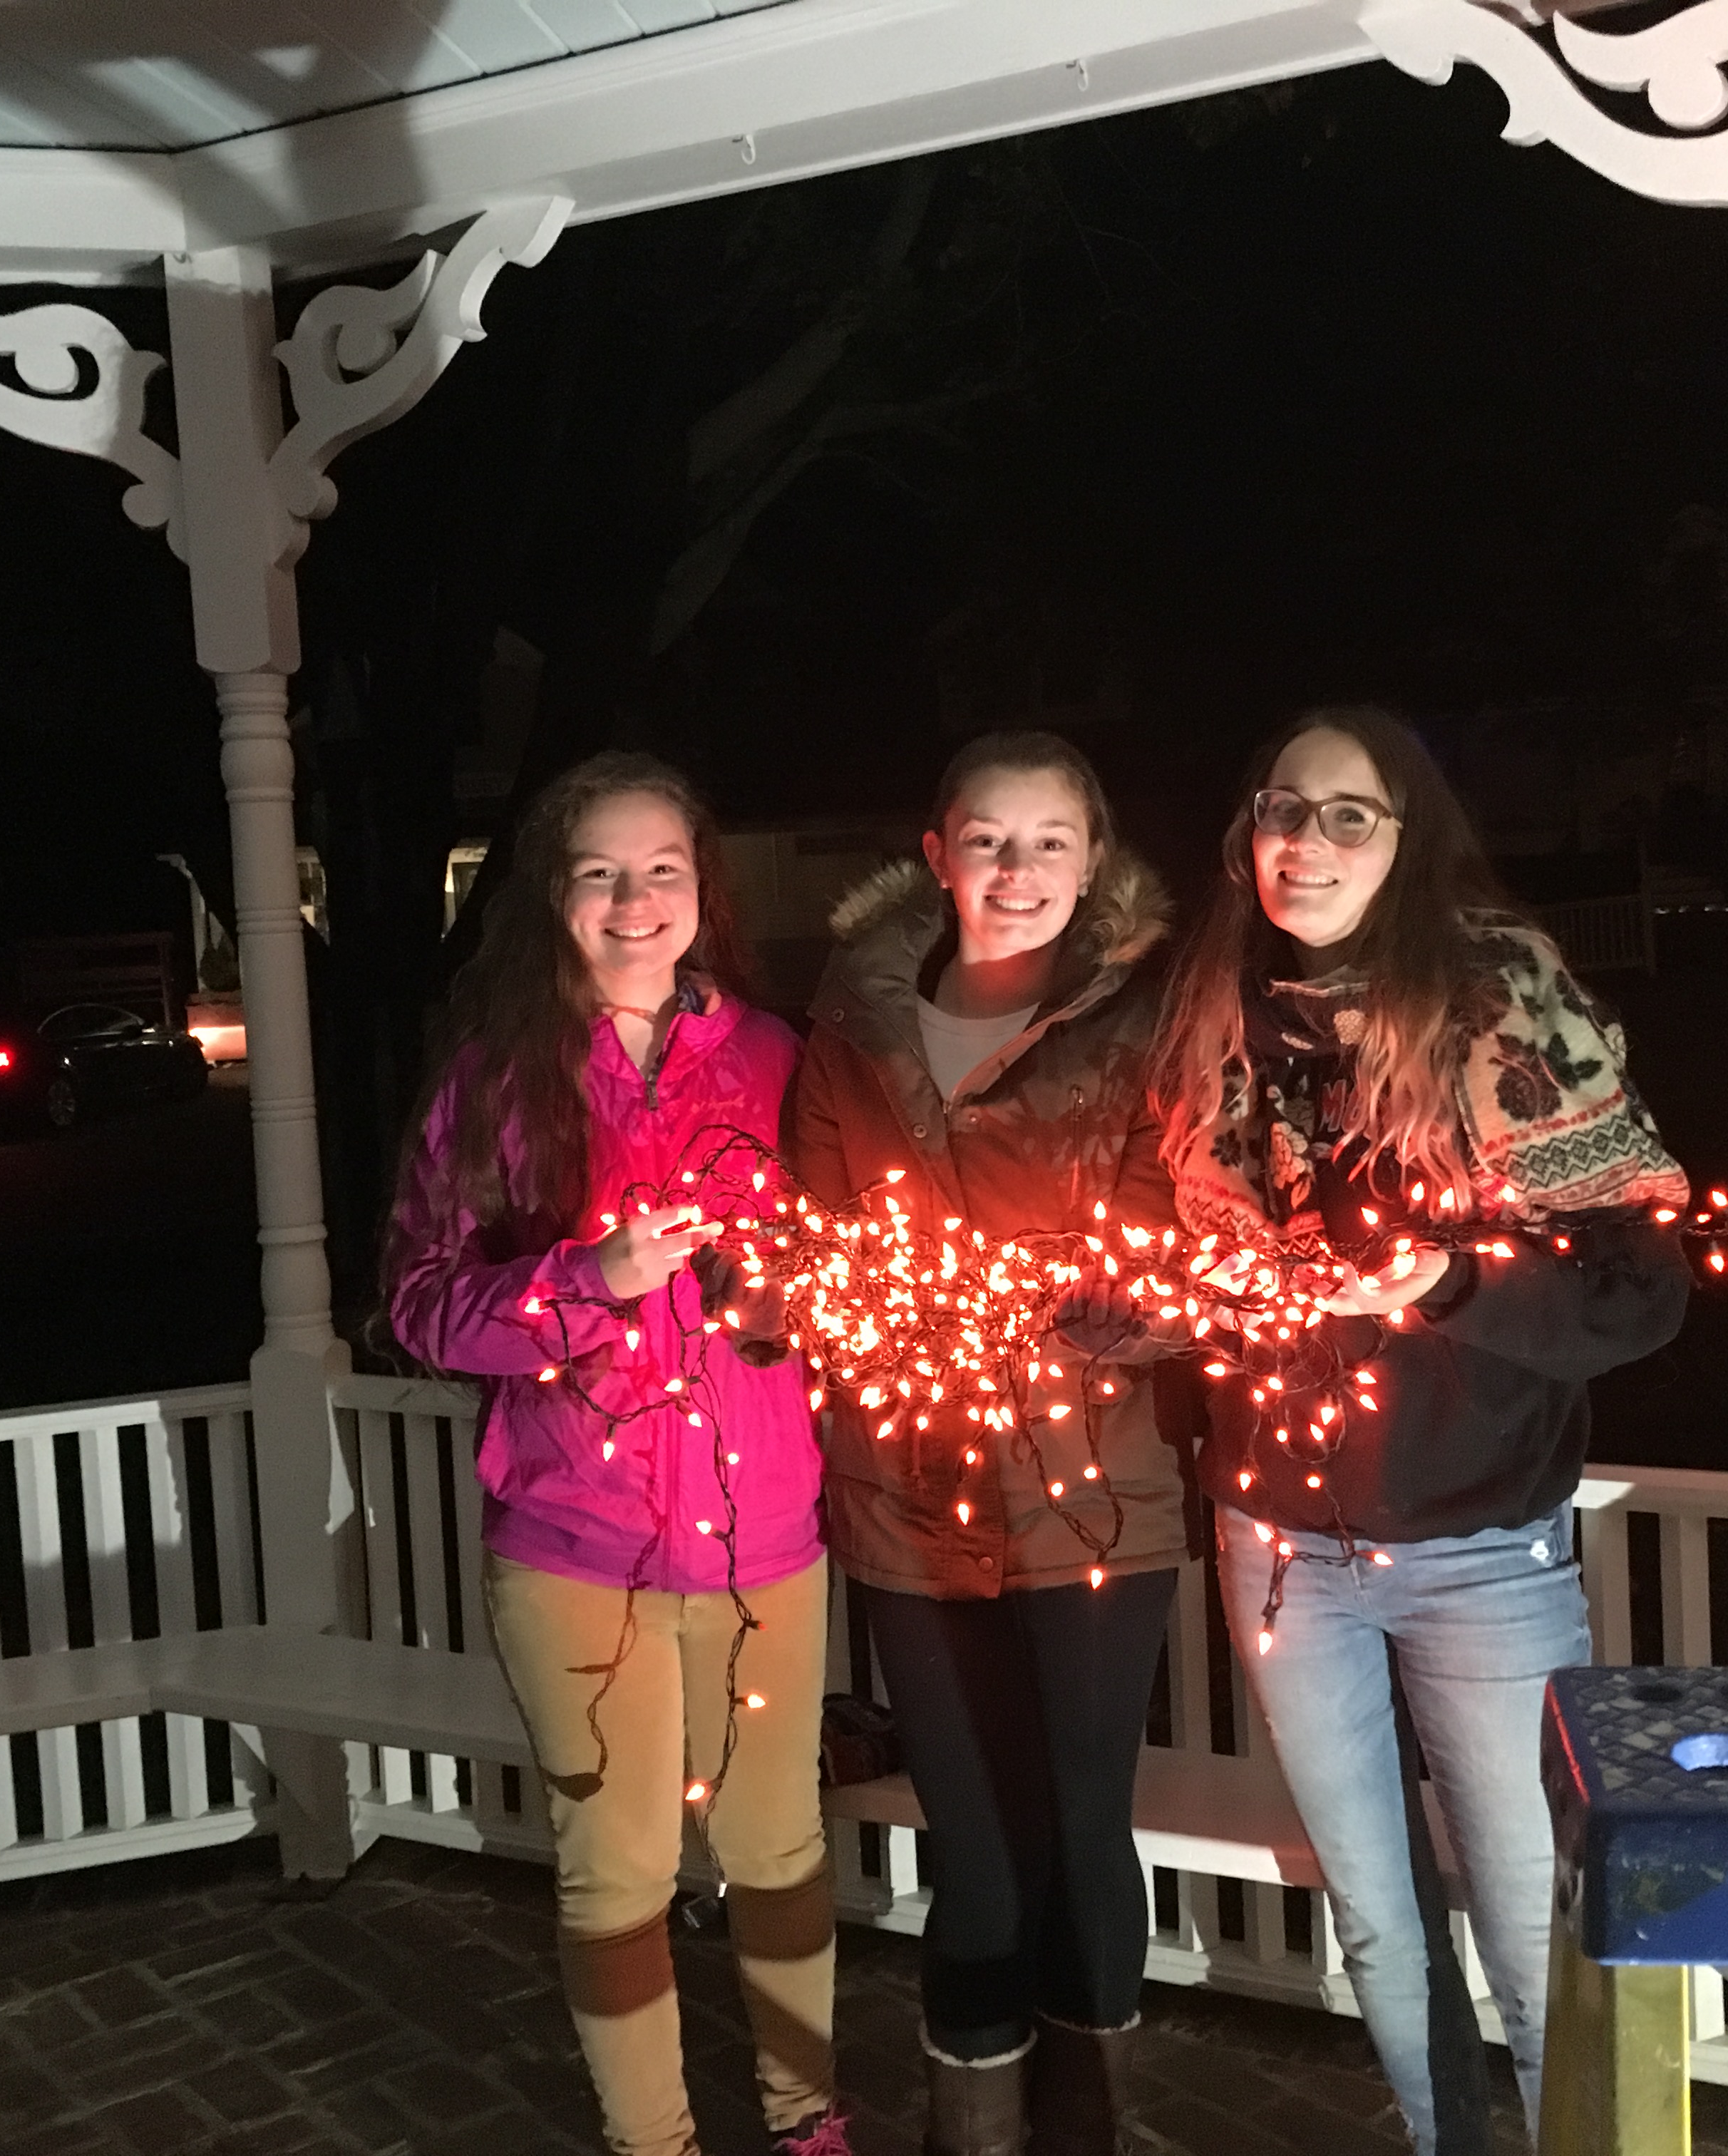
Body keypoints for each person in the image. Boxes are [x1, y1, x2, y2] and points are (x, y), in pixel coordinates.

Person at [1146, 708, 1690, 2155]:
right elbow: (1192, 1263)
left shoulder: (1502, 999)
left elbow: (1641, 1288)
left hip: (1482, 1546)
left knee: (1530, 1924)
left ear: (1408, 837)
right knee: (1382, 1927)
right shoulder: (1214, 1009)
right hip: (1279, 1543)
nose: (1302, 843)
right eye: (1280, 809)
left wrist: (1451, 1285)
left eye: (1347, 816)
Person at [384, 753, 849, 2156]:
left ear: (705, 888)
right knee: (623, 1869)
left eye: (662, 869)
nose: (635, 899)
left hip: (765, 1533)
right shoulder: (495, 1079)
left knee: (779, 1854)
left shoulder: (782, 1062)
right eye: (601, 871)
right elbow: (414, 1304)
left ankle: (809, 2123)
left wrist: (803, 1280)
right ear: (554, 897)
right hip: (579, 1546)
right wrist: (588, 1281)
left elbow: (852, 1258)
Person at [786, 732, 1184, 2156]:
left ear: (1096, 856)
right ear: (938, 850)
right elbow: (824, 1238)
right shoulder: (852, 1032)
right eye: (991, 841)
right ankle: (979, 2133)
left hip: (1089, 1497)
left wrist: (1129, 1312)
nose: (1019, 873)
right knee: (976, 1848)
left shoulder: (1144, 1021)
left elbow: (1182, 1240)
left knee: (1080, 1832)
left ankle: (1089, 2130)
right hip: (908, 1493)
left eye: (1051, 843)